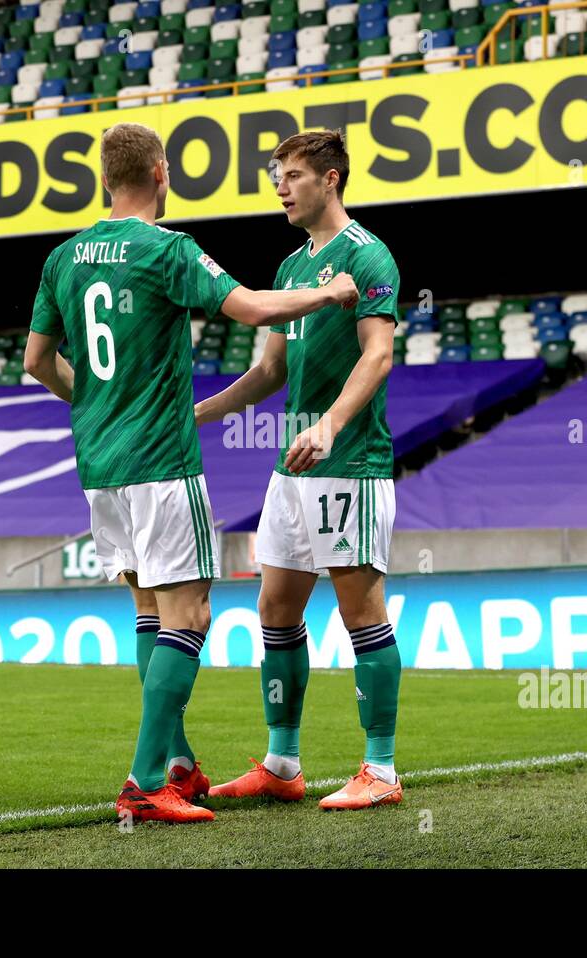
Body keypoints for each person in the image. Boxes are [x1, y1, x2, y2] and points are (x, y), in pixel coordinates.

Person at [24, 122, 360, 824]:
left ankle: (175, 759)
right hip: (161, 462)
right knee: (191, 615)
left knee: (150, 612)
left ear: (104, 180)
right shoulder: (165, 249)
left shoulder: (64, 258)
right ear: (159, 174)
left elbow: (35, 361)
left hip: (101, 465)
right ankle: (146, 782)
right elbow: (253, 308)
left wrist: (90, 399)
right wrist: (329, 294)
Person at [195, 130, 404, 811]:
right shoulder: (289, 271)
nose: (280, 187)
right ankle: (283, 762)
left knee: (360, 612)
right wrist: (196, 413)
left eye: (291, 175)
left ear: (331, 179)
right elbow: (268, 373)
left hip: (352, 464)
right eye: (277, 176)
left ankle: (381, 771)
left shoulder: (370, 257)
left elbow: (377, 356)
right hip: (292, 472)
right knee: (275, 610)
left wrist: (330, 423)